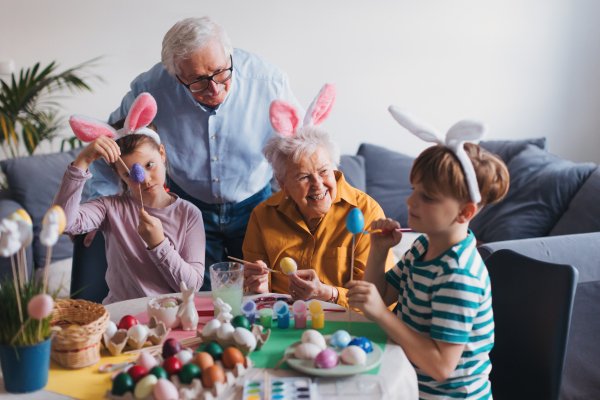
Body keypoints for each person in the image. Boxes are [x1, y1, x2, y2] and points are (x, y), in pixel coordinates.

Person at [87, 16, 301, 290]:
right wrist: (101, 200)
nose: (214, 88)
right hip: (187, 205)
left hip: (254, 203)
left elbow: (297, 144)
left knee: (258, 293)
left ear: (229, 55)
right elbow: (111, 142)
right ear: (176, 76)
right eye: (198, 80)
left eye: (221, 72)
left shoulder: (268, 81)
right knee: (195, 298)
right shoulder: (149, 90)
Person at [346, 107, 510, 399]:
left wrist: (383, 315)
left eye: (427, 197)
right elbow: (381, 298)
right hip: (410, 386)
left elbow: (441, 367)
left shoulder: (459, 275)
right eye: (413, 189)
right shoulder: (422, 247)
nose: (410, 200)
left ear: (465, 211)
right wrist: (378, 250)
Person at [242, 84, 394, 309]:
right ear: (283, 185)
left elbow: (380, 299)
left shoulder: (367, 212)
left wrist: (329, 294)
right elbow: (258, 294)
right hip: (287, 323)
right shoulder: (262, 216)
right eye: (303, 177)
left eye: (324, 171)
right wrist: (259, 289)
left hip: (345, 324)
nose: (317, 185)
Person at [54, 94, 205, 304]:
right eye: (128, 174)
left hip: (171, 318)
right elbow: (64, 222)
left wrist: (158, 243)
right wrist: (83, 160)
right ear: (118, 174)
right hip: (121, 316)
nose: (144, 179)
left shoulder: (189, 214)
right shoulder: (109, 207)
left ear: (162, 153)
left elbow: (191, 286)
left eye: (149, 165)